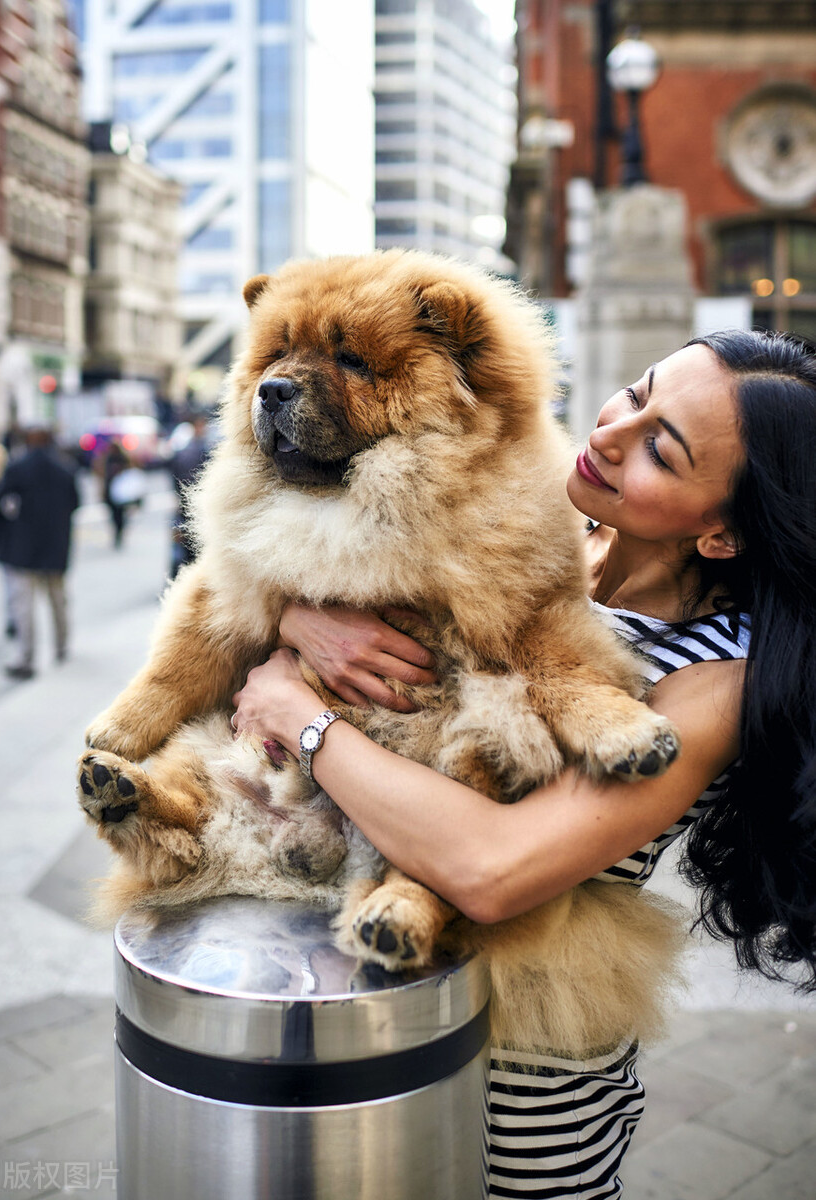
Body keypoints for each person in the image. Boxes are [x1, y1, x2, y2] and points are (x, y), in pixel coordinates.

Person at [230, 329, 816, 1198]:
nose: (614, 431)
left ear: (722, 533)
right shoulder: (531, 527)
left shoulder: (711, 682)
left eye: (661, 447)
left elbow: (490, 869)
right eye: (638, 391)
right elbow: (302, 562)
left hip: (514, 1078)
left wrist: (302, 715)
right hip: (339, 1002)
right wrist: (298, 622)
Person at [0, 425, 80, 680]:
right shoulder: (65, 469)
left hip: (22, 551)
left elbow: (2, 505)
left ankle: (27, 657)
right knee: (57, 600)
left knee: (24, 607)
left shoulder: (17, 469)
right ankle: (62, 646)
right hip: (55, 548)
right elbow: (75, 504)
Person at [167, 413, 213, 578]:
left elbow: (173, 479)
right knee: (198, 554)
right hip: (198, 507)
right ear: (198, 426)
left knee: (180, 552)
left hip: (182, 507)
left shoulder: (181, 451)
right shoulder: (204, 451)